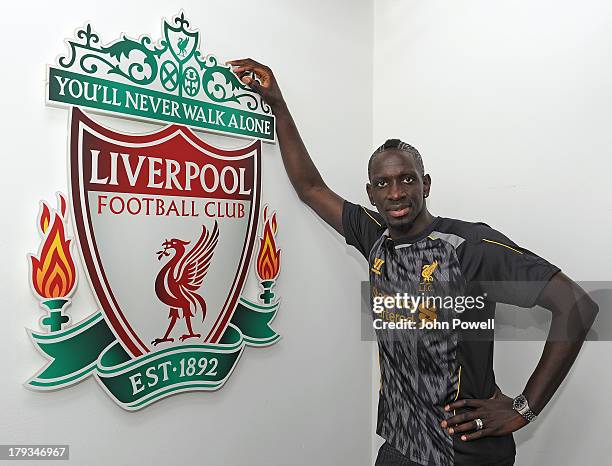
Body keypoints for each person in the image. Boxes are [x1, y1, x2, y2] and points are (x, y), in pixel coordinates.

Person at [227, 58, 599, 466]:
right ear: (371, 194)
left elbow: (577, 305)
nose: (396, 192)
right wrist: (278, 104)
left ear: (426, 184)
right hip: (400, 447)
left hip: (464, 452)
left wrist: (523, 408)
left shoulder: (468, 246)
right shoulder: (375, 237)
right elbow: (311, 187)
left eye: (406, 179)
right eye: (383, 183)